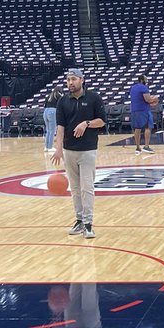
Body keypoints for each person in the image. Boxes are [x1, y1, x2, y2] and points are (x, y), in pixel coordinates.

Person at [53, 66, 106, 240]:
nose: (71, 83)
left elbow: (102, 122)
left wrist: (86, 123)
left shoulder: (93, 98)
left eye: (74, 79)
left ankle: (89, 224)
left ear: (82, 80)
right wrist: (59, 148)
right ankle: (79, 220)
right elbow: (60, 127)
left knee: (87, 187)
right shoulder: (62, 101)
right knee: (75, 189)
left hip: (88, 149)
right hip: (69, 150)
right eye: (68, 80)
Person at [129, 73, 158, 154]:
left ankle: (137, 148)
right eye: (146, 79)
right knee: (148, 127)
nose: (147, 81)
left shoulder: (133, 87)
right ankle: (146, 146)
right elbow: (147, 100)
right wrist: (155, 99)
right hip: (144, 110)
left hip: (134, 109)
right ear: (142, 80)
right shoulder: (143, 88)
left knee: (137, 128)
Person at [43, 82, 62, 155]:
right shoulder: (58, 95)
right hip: (52, 111)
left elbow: (45, 105)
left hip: (45, 112)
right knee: (52, 130)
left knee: (48, 130)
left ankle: (46, 147)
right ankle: (50, 147)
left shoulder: (48, 96)